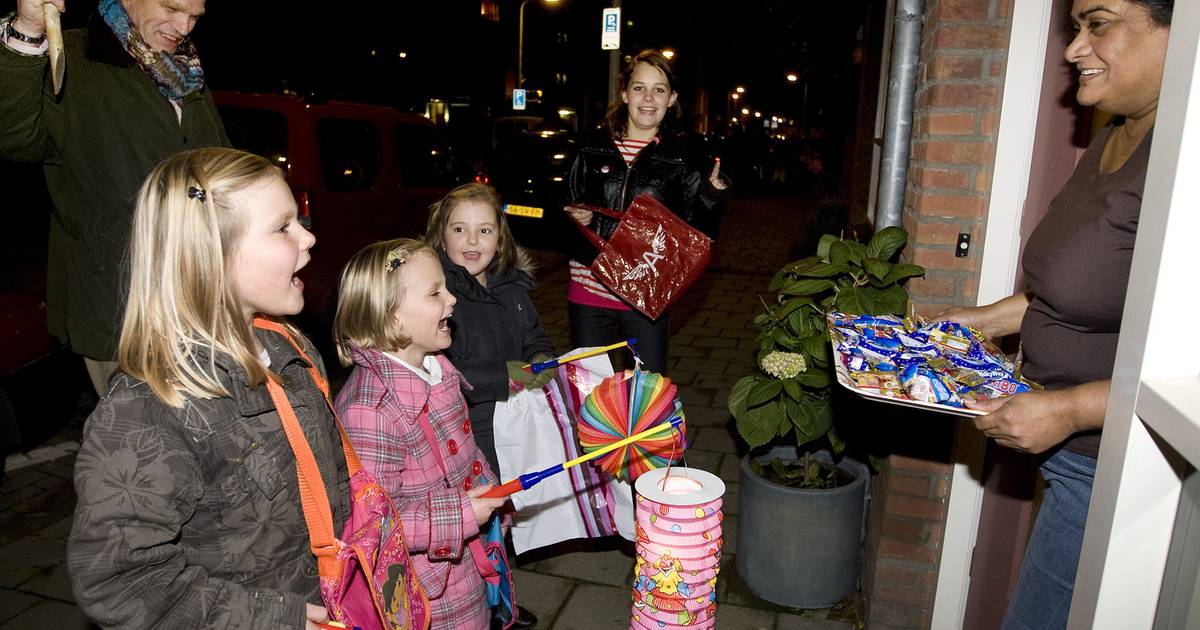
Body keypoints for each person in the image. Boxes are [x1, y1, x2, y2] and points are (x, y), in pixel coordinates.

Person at [936, 1, 1171, 627]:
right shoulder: (1115, 135)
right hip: (1072, 462)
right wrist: (983, 320)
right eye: (1074, 26)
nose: (1072, 48)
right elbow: (1083, 293)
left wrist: (1070, 409)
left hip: (1113, 473)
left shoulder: (1185, 162)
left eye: (1098, 23)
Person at [66, 148, 345, 629]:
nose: (308, 236)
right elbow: (118, 580)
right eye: (283, 227)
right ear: (209, 256)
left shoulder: (289, 350)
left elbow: (330, 477)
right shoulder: (149, 409)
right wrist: (273, 620)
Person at [0, 0, 228, 397]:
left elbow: (219, 165)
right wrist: (27, 30)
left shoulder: (187, 73)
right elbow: (15, 137)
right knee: (147, 451)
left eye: (195, 16)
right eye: (173, 8)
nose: (184, 26)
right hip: (123, 310)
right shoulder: (74, 57)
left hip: (201, 302)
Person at [333, 238, 506, 629]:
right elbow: (373, 524)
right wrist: (462, 514)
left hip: (467, 561)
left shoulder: (436, 369)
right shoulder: (370, 412)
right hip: (426, 588)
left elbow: (465, 452)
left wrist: (492, 493)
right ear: (394, 318)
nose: (452, 299)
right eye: (435, 293)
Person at [564, 49, 729, 374]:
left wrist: (712, 196)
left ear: (672, 99)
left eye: (659, 89)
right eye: (639, 87)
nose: (648, 98)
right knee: (589, 395)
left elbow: (700, 236)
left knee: (646, 397)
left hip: (646, 294)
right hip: (589, 289)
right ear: (624, 93)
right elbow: (564, 210)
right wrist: (573, 215)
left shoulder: (682, 160)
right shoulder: (591, 149)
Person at [425, 182, 556, 476]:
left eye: (484, 230)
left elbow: (533, 334)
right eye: (459, 230)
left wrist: (540, 357)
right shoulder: (438, 297)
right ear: (442, 239)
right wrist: (505, 376)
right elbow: (436, 370)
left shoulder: (512, 288)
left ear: (499, 240)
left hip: (519, 423)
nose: (472, 241)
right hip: (469, 432)